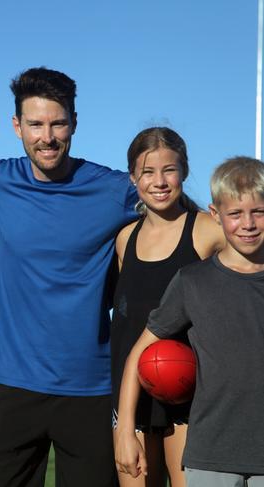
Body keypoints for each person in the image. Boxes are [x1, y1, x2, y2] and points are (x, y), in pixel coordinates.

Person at [0, 67, 138, 486]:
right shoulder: (1, 180)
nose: (47, 136)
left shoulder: (115, 189)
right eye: (35, 124)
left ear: (74, 122)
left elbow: (177, 206)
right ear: (17, 126)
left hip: (92, 391)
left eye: (58, 123)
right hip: (14, 386)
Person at [115, 156, 264, 487]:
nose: (248, 223)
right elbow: (138, 354)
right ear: (216, 215)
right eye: (236, 214)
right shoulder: (192, 282)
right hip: (211, 454)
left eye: (258, 212)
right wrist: (124, 429)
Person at [110, 127, 224, 487]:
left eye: (169, 170)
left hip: (190, 391)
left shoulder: (208, 230)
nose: (159, 181)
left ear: (185, 171)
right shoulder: (125, 240)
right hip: (132, 393)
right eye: (147, 172)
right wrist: (123, 424)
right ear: (132, 178)